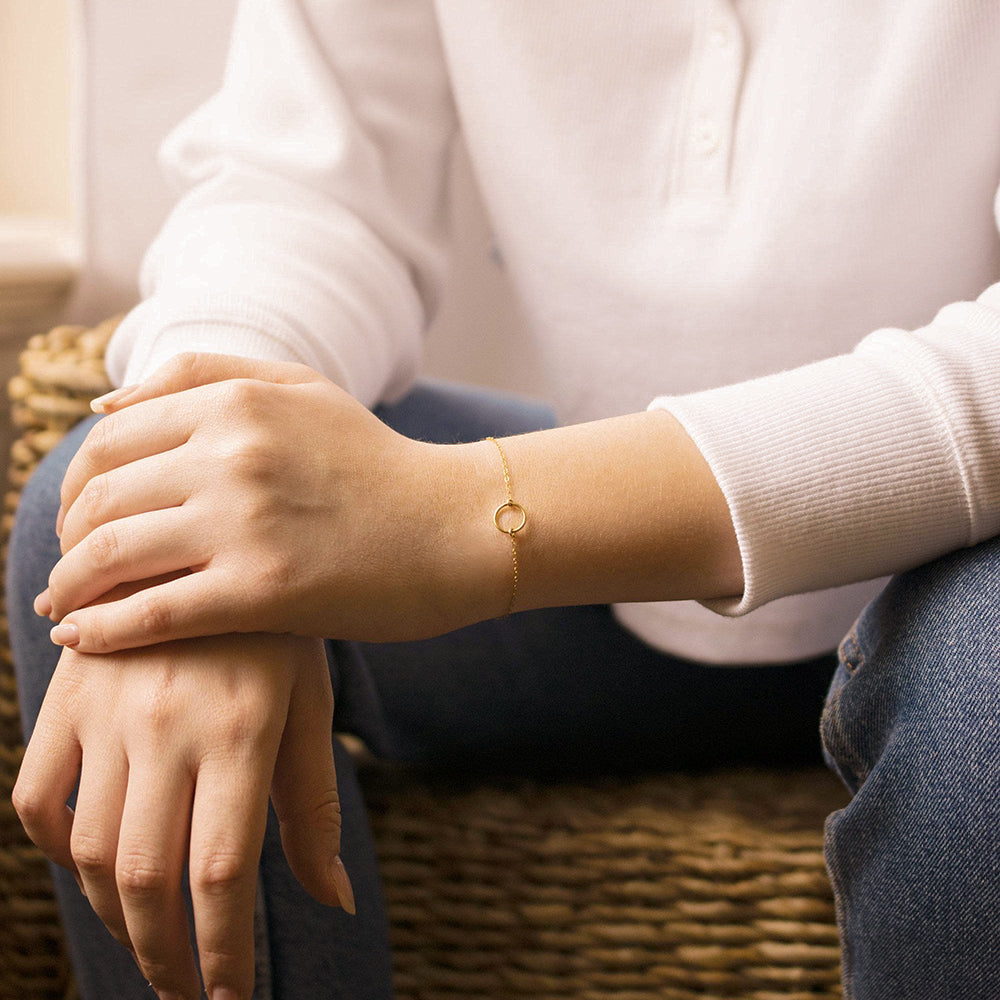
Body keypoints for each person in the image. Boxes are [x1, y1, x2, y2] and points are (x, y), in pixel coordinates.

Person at [8, 2, 1000, 998]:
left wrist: (468, 512)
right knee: (117, 533)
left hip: (957, 582)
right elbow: (305, 181)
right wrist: (210, 504)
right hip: (603, 610)